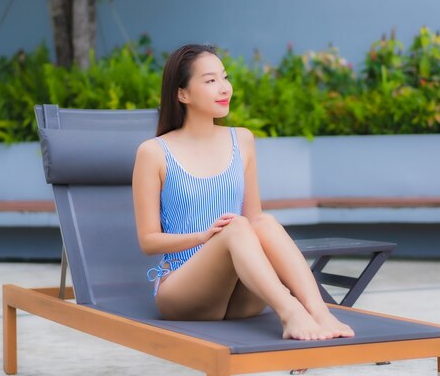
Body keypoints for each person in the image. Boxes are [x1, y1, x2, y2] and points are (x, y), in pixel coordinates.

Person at [132, 44, 354, 341]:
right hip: (184, 294)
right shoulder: (154, 152)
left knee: (263, 223)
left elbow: (255, 221)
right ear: (182, 94)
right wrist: (205, 237)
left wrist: (239, 232)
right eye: (210, 81)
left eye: (225, 77)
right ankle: (291, 313)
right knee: (237, 227)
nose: (224, 88)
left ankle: (319, 313)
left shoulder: (242, 140)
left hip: (241, 297)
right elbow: (148, 241)